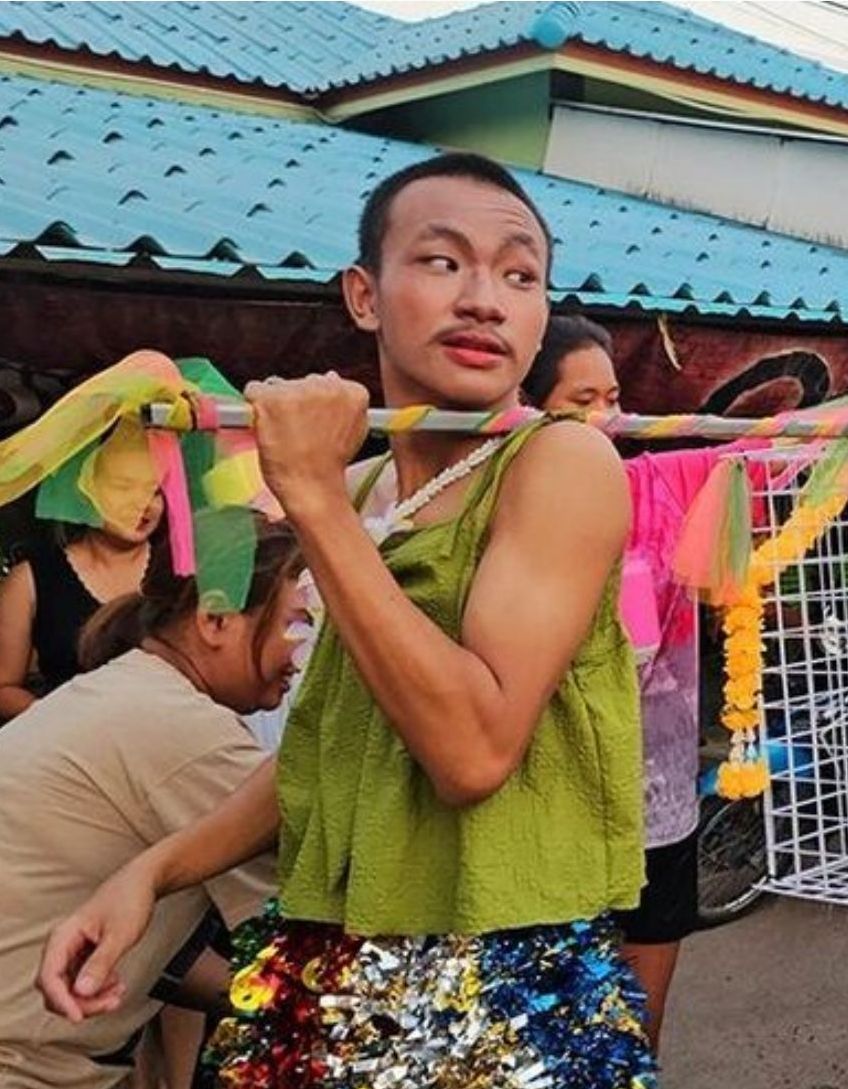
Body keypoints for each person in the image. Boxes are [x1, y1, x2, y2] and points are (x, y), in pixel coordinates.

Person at [38, 153, 656, 1088]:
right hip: (330, 971)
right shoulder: (366, 489)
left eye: (519, 274)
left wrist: (315, 501)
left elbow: (472, 751)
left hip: (497, 988)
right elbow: (329, 751)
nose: (486, 298)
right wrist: (150, 873)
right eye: (443, 263)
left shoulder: (558, 462)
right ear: (364, 296)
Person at [522, 313, 848, 1054]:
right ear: (524, 416)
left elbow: (789, 436)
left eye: (613, 397)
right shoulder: (507, 517)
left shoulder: (654, 486)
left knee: (631, 1044)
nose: (604, 420)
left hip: (656, 813)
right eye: (578, 405)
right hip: (545, 814)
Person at [0, 513, 299, 1089]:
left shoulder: (126, 689)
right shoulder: (183, 731)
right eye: (298, 624)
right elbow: (319, 910)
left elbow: (161, 956)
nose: (304, 655)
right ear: (215, 620)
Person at [0, 493, 163, 720]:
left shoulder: (183, 570)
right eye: (124, 486)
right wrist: (66, 721)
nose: (143, 502)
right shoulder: (30, 578)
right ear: (86, 491)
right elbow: (4, 689)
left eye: (154, 491)